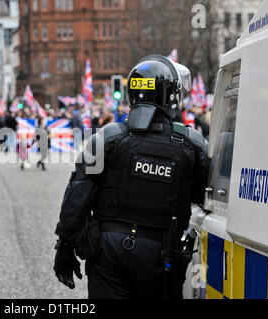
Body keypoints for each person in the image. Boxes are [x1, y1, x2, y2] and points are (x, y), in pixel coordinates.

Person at [53, 55, 209, 299]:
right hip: (161, 252)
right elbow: (207, 197)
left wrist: (65, 245)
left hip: (108, 249)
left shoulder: (108, 137)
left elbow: (78, 194)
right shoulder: (192, 143)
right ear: (171, 96)